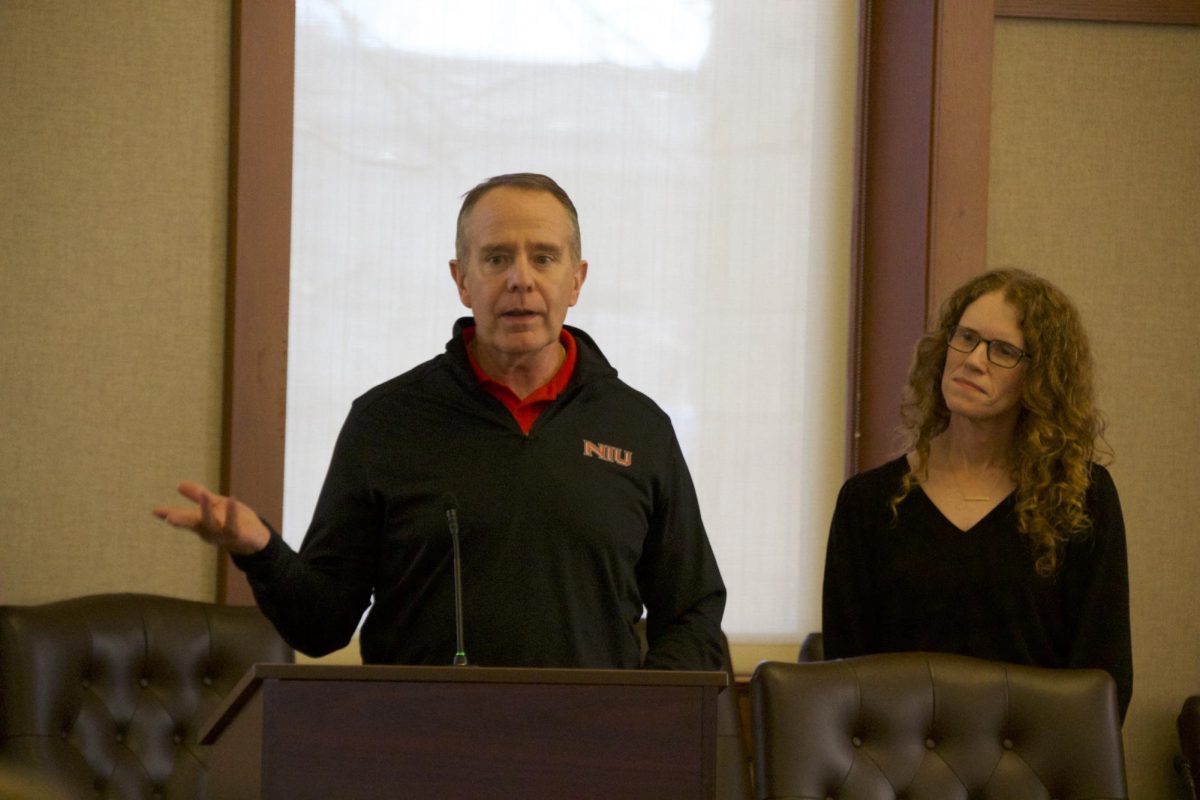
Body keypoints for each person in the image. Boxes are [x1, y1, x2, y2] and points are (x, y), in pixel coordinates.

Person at [155, 173, 726, 671]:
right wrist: (261, 551)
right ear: (462, 279)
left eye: (543, 258)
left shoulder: (638, 428)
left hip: (592, 755)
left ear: (576, 280)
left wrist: (642, 712)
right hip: (423, 747)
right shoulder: (386, 422)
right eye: (496, 258)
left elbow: (693, 611)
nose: (520, 280)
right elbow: (321, 627)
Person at [821, 268, 1132, 720]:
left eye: (1003, 350)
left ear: (1040, 376)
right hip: (896, 773)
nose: (973, 360)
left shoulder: (1083, 497)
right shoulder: (866, 503)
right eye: (965, 337)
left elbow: (1103, 681)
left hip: (1036, 769)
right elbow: (843, 678)